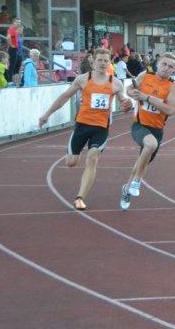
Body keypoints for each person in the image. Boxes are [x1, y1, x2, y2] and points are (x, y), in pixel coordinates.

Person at [38, 48, 132, 211]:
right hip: (82, 125)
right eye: (99, 60)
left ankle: (80, 198)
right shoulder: (83, 79)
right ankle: (73, 151)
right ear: (93, 61)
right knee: (71, 162)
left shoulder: (115, 83)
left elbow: (123, 104)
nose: (102, 63)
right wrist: (47, 114)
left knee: (92, 157)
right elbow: (65, 97)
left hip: (101, 128)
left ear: (110, 63)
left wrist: (127, 104)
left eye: (106, 60)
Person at [120, 52, 175, 210]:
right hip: (140, 125)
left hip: (157, 129)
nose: (166, 68)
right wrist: (132, 93)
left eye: (170, 67)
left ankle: (127, 189)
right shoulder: (145, 76)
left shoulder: (174, 86)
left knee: (142, 163)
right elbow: (129, 88)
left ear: (174, 70)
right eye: (164, 64)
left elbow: (170, 109)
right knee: (151, 145)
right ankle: (137, 181)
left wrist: (147, 98)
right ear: (157, 64)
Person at [6, 18, 22, 84]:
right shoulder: (12, 29)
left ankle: (11, 81)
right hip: (12, 49)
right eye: (17, 22)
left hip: (14, 49)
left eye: (19, 22)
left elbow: (13, 37)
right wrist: (11, 45)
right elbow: (8, 37)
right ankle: (9, 81)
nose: (18, 23)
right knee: (11, 65)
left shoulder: (15, 30)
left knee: (13, 65)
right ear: (13, 23)